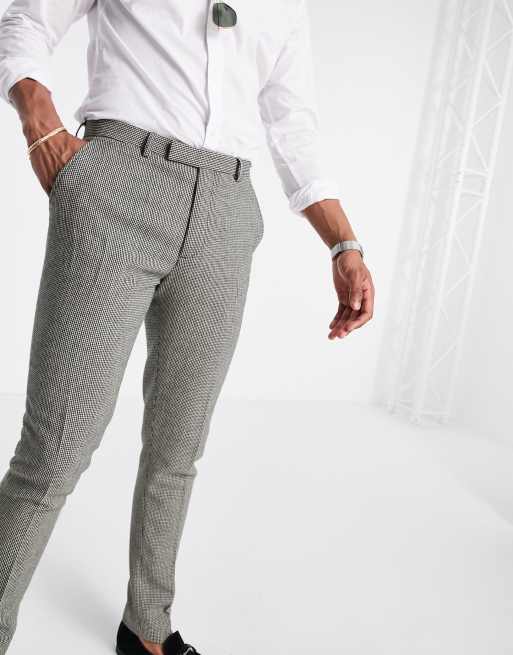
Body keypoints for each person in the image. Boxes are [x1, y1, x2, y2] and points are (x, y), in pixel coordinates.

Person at [0, 1, 375, 654]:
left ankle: (147, 625)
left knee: (178, 448)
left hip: (227, 211)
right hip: (116, 184)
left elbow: (292, 122)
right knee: (54, 450)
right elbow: (27, 20)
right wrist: (41, 124)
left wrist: (344, 245)